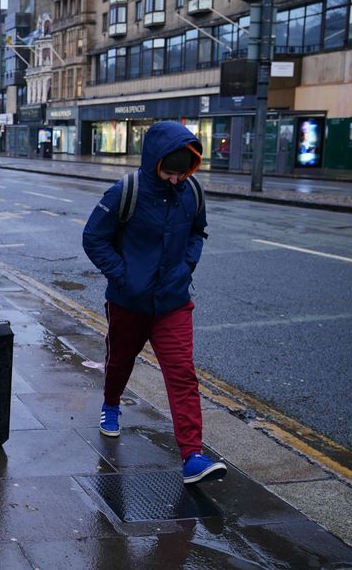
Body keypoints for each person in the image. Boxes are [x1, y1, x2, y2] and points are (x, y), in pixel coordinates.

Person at [82, 121, 227, 485]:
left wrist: (185, 267)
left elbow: (197, 232)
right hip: (129, 301)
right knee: (119, 361)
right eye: (170, 171)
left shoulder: (192, 191)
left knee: (182, 374)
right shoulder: (125, 191)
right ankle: (111, 405)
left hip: (173, 301)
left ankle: (192, 456)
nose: (177, 179)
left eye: (183, 172)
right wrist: (123, 274)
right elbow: (93, 237)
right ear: (154, 162)